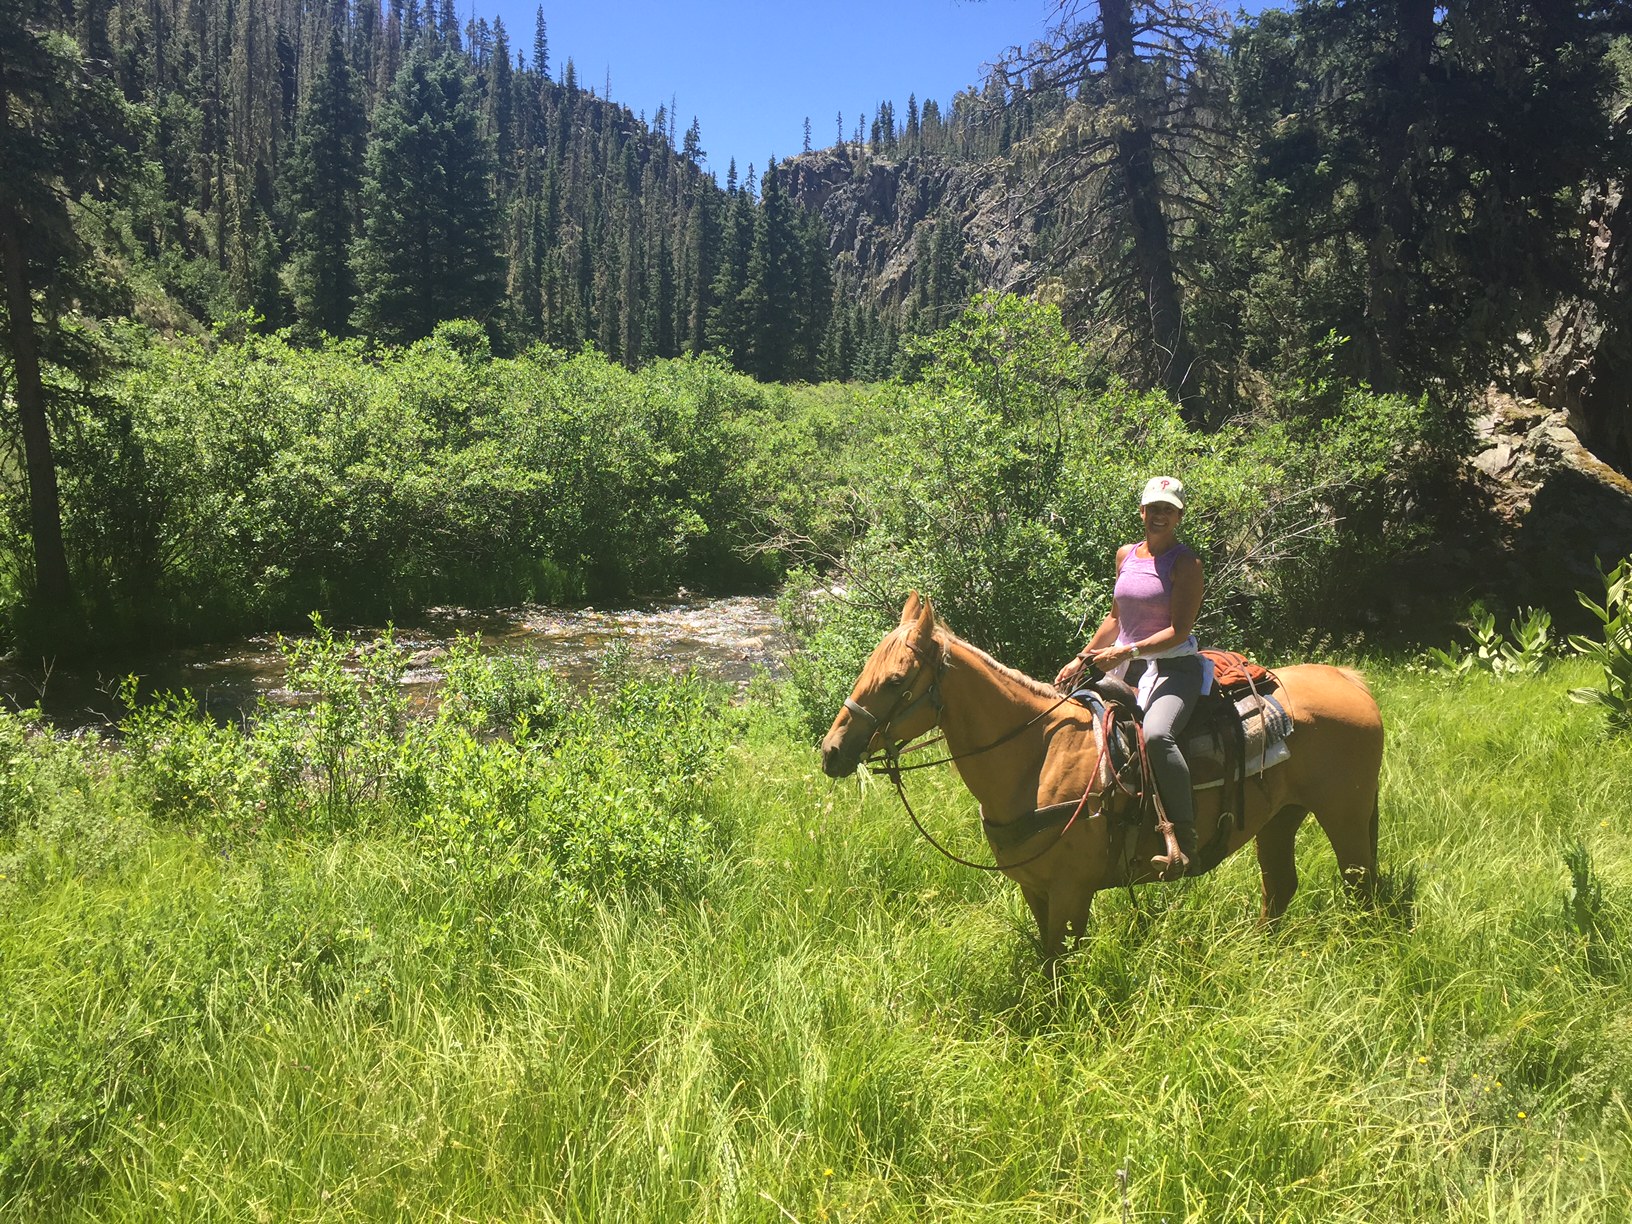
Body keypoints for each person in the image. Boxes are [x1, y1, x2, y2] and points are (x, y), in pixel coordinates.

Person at [1054, 475, 1206, 875]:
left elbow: (1180, 631)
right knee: (1063, 713)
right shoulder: (1127, 555)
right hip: (1122, 662)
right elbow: (1115, 618)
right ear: (1142, 511)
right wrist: (1083, 658)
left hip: (1173, 667)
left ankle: (1185, 841)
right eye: (1154, 508)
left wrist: (1128, 650)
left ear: (1178, 516)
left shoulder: (1186, 563)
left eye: (1168, 510)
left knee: (1157, 735)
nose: (1159, 515)